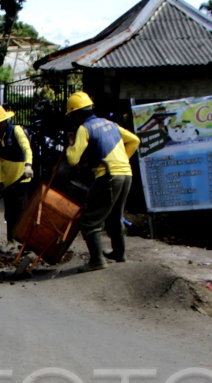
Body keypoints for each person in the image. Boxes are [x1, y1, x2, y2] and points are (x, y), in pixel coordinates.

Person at [63, 91, 139, 269]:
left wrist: (71, 144)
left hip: (108, 175)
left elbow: (73, 159)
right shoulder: (110, 124)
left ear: (76, 114)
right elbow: (135, 140)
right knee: (114, 216)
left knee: (89, 220)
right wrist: (123, 160)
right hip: (126, 174)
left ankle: (97, 260)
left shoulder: (85, 128)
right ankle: (119, 254)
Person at [0, 104, 34, 250]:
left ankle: (26, 244)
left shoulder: (16, 130)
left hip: (23, 177)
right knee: (9, 213)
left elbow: (27, 148)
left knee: (22, 212)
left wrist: (28, 165)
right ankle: (11, 241)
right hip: (8, 181)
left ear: (4, 121)